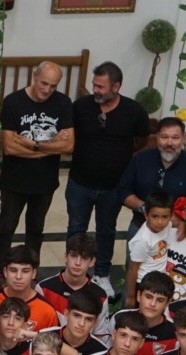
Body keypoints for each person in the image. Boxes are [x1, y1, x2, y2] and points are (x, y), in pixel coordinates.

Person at [66, 62, 151, 282]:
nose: (95, 90)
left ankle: (102, 274)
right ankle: (74, 272)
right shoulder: (81, 107)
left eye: (100, 87)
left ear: (116, 86)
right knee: (76, 229)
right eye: (94, 85)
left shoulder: (134, 111)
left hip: (113, 187)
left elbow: (142, 139)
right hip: (79, 183)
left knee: (106, 231)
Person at [0, 61, 75, 269]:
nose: (47, 90)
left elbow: (68, 145)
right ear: (34, 76)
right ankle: (1, 272)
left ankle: (31, 272)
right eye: (44, 83)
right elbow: (10, 147)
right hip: (14, 181)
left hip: (44, 182)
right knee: (6, 230)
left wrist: (34, 145)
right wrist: (51, 146)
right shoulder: (13, 102)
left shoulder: (63, 103)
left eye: (53, 86)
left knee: (35, 231)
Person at [118, 117, 186, 241]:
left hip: (178, 234)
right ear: (157, 137)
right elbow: (123, 190)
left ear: (183, 138)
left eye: (175, 138)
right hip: (140, 228)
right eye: (164, 137)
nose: (169, 143)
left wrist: (184, 221)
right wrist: (146, 208)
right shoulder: (140, 160)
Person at [0, 246, 60, 333]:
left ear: (34, 273)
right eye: (13, 270)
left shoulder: (47, 311)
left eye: (25, 271)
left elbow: (53, 340)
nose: (18, 276)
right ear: (5, 272)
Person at [123, 193, 176, 309]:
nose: (160, 222)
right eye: (155, 216)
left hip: (159, 281)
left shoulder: (168, 225)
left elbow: (179, 223)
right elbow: (132, 269)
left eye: (164, 217)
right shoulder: (143, 240)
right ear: (146, 215)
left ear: (171, 216)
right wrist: (131, 296)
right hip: (143, 284)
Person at [39, 234, 111, 317]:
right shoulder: (44, 289)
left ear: (92, 262)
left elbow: (100, 326)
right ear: (66, 257)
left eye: (84, 258)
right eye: (73, 256)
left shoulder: (100, 296)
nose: (78, 263)